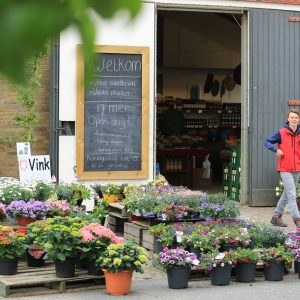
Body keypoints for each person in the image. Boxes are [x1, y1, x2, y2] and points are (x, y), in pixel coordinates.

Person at [264, 109, 300, 227]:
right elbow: (267, 142)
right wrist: (276, 150)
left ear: (298, 119)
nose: (294, 119)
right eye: (292, 117)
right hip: (284, 168)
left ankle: (275, 217)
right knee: (291, 193)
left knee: (286, 193)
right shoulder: (281, 132)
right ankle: (297, 219)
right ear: (288, 119)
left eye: (296, 117)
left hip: (297, 168)